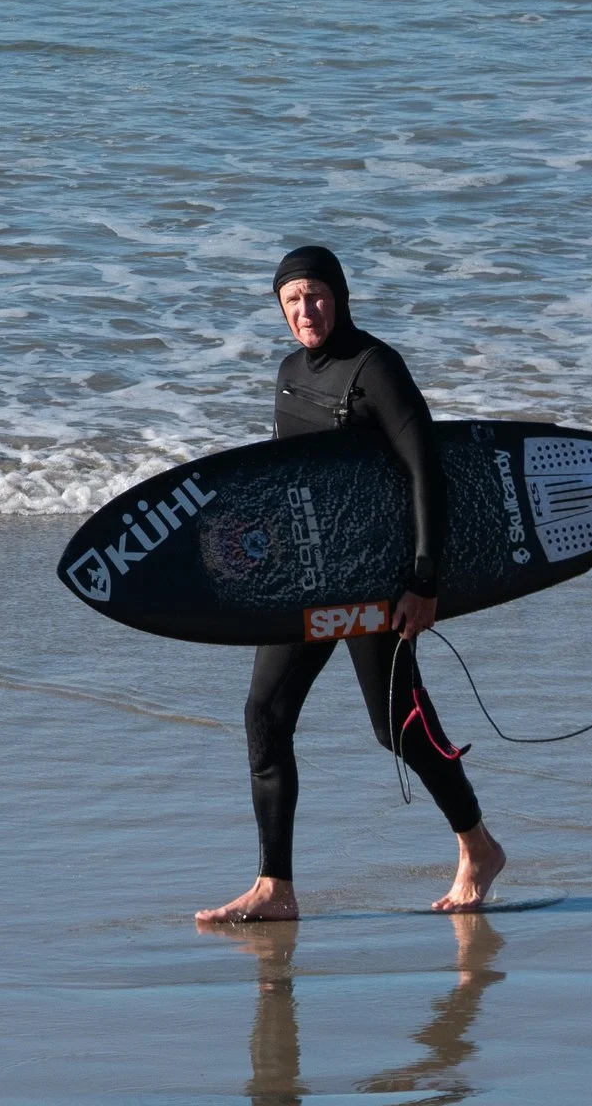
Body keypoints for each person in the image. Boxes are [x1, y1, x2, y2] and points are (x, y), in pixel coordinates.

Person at [195, 245, 505, 922]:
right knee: (265, 714)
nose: (306, 310)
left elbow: (426, 471)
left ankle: (477, 845)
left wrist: (424, 582)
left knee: (397, 725)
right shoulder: (287, 372)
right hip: (308, 580)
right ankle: (275, 885)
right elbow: (287, 485)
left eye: (316, 294)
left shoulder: (377, 368)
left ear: (339, 293)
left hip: (374, 584)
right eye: (292, 300)